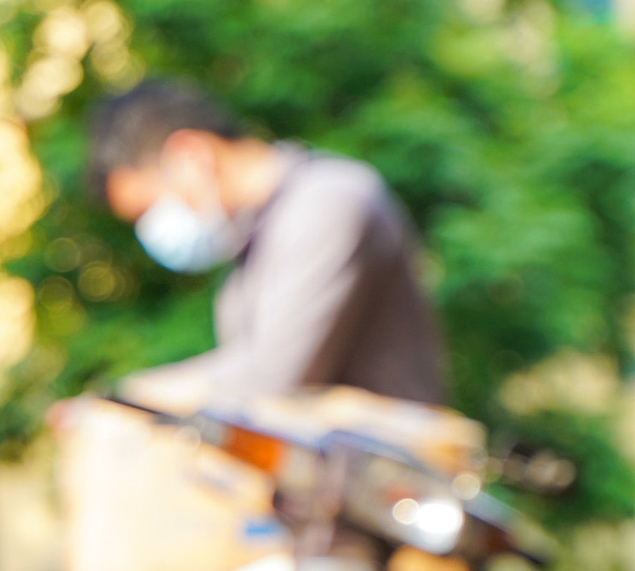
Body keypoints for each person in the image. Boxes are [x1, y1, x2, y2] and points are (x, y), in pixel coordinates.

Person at [86, 78, 446, 407]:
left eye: (151, 209)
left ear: (190, 154)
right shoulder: (248, 248)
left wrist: (136, 397)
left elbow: (272, 376)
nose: (154, 230)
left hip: (394, 473)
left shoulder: (328, 200)